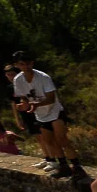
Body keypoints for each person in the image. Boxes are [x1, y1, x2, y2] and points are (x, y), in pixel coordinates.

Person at [12, 51, 82, 179]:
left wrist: (34, 104)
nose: (26, 67)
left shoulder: (43, 77)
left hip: (54, 112)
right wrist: (24, 105)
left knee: (62, 139)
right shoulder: (18, 80)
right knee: (49, 141)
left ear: (32, 63)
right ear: (17, 65)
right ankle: (63, 166)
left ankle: (77, 167)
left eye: (28, 63)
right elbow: (23, 97)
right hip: (40, 114)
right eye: (22, 64)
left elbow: (51, 98)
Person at [5, 64, 46, 169]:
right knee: (38, 136)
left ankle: (53, 158)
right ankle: (47, 157)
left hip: (36, 112)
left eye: (13, 74)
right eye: (9, 75)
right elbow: (14, 104)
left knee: (44, 136)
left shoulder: (24, 83)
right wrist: (18, 120)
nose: (11, 77)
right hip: (25, 114)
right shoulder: (10, 88)